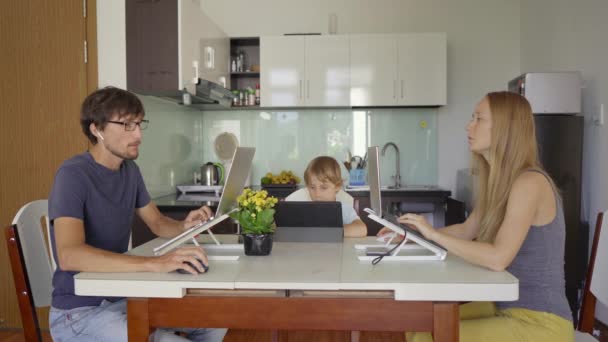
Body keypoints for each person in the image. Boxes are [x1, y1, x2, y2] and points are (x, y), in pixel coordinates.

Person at [379, 91, 574, 341]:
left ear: (505, 128)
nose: (468, 125)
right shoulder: (499, 183)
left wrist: (432, 233)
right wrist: (409, 235)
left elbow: (498, 258)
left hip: (541, 322)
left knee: (427, 337)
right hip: (504, 305)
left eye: (478, 119)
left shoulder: (529, 183)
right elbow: (467, 230)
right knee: (417, 321)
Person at [48, 87, 227, 342]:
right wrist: (154, 264)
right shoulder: (72, 175)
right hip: (79, 313)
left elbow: (156, 222)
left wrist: (185, 226)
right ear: (96, 129)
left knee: (213, 322)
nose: (139, 135)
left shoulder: (129, 171)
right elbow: (69, 255)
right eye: (127, 125)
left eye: (140, 124)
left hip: (121, 296)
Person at [286, 156, 367, 237]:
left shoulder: (343, 208)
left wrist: (332, 232)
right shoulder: (301, 209)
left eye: (323, 187)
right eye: (312, 187)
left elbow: (362, 229)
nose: (317, 194)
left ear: (337, 187)